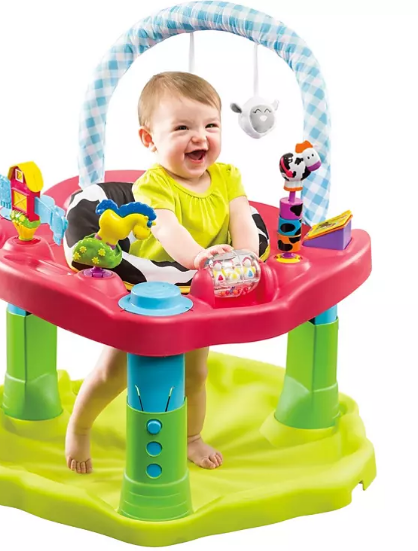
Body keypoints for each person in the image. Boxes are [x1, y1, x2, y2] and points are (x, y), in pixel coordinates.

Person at [65, 71, 260, 474]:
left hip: (199, 295)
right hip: (145, 294)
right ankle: (80, 428)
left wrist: (246, 258)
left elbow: (244, 218)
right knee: (114, 372)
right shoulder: (153, 184)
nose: (199, 137)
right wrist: (199, 257)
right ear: (149, 139)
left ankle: (191, 437)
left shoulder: (227, 177)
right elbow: (167, 229)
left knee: (196, 372)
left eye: (210, 125)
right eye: (182, 128)